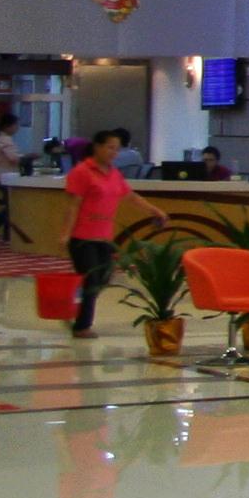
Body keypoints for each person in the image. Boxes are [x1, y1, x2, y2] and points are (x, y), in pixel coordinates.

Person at [60, 128, 161, 340]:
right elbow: (73, 205)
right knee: (92, 280)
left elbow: (131, 197)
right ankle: (82, 326)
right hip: (82, 237)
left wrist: (155, 211)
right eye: (109, 147)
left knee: (103, 279)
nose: (114, 152)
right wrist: (65, 234)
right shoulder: (82, 172)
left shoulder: (114, 174)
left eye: (117, 149)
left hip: (104, 237)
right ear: (97, 147)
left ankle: (74, 305)